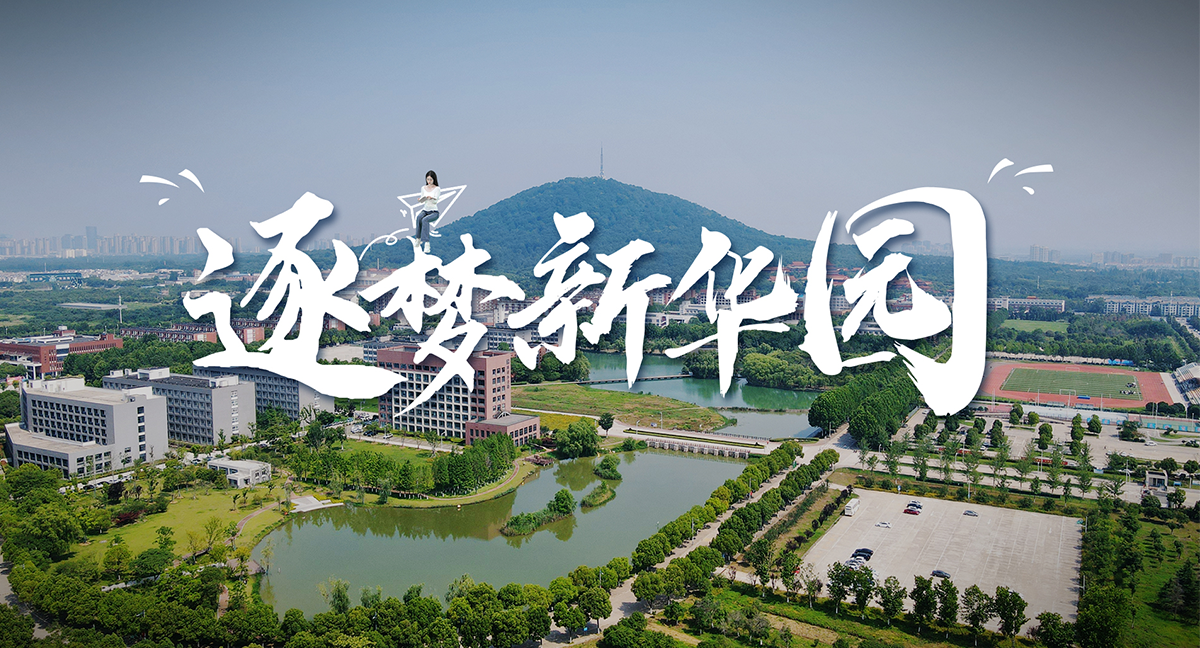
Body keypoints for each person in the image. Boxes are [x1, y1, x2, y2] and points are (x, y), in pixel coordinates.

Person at [415, 170, 440, 253]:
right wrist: (420, 200)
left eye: (430, 179)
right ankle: (418, 239)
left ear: (434, 179)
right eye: (427, 179)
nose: (429, 181)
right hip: (425, 210)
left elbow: (435, 201)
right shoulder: (423, 188)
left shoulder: (437, 189)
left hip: (434, 211)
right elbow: (423, 201)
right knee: (419, 217)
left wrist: (431, 198)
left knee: (425, 220)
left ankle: (426, 243)